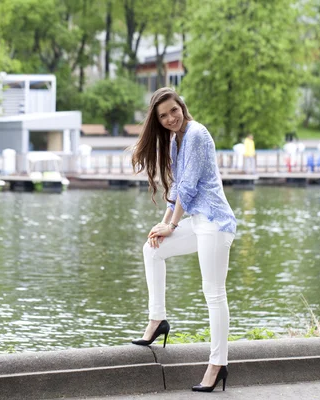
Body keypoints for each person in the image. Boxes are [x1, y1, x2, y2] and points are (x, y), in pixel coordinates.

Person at [131, 87, 237, 393]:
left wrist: (172, 224)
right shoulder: (176, 141)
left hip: (216, 223)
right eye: (163, 116)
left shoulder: (197, 134)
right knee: (152, 249)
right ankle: (157, 320)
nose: (170, 119)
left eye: (173, 111)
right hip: (198, 222)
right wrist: (163, 225)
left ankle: (218, 364)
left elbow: (189, 187)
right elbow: (177, 187)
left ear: (182, 106)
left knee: (213, 292)